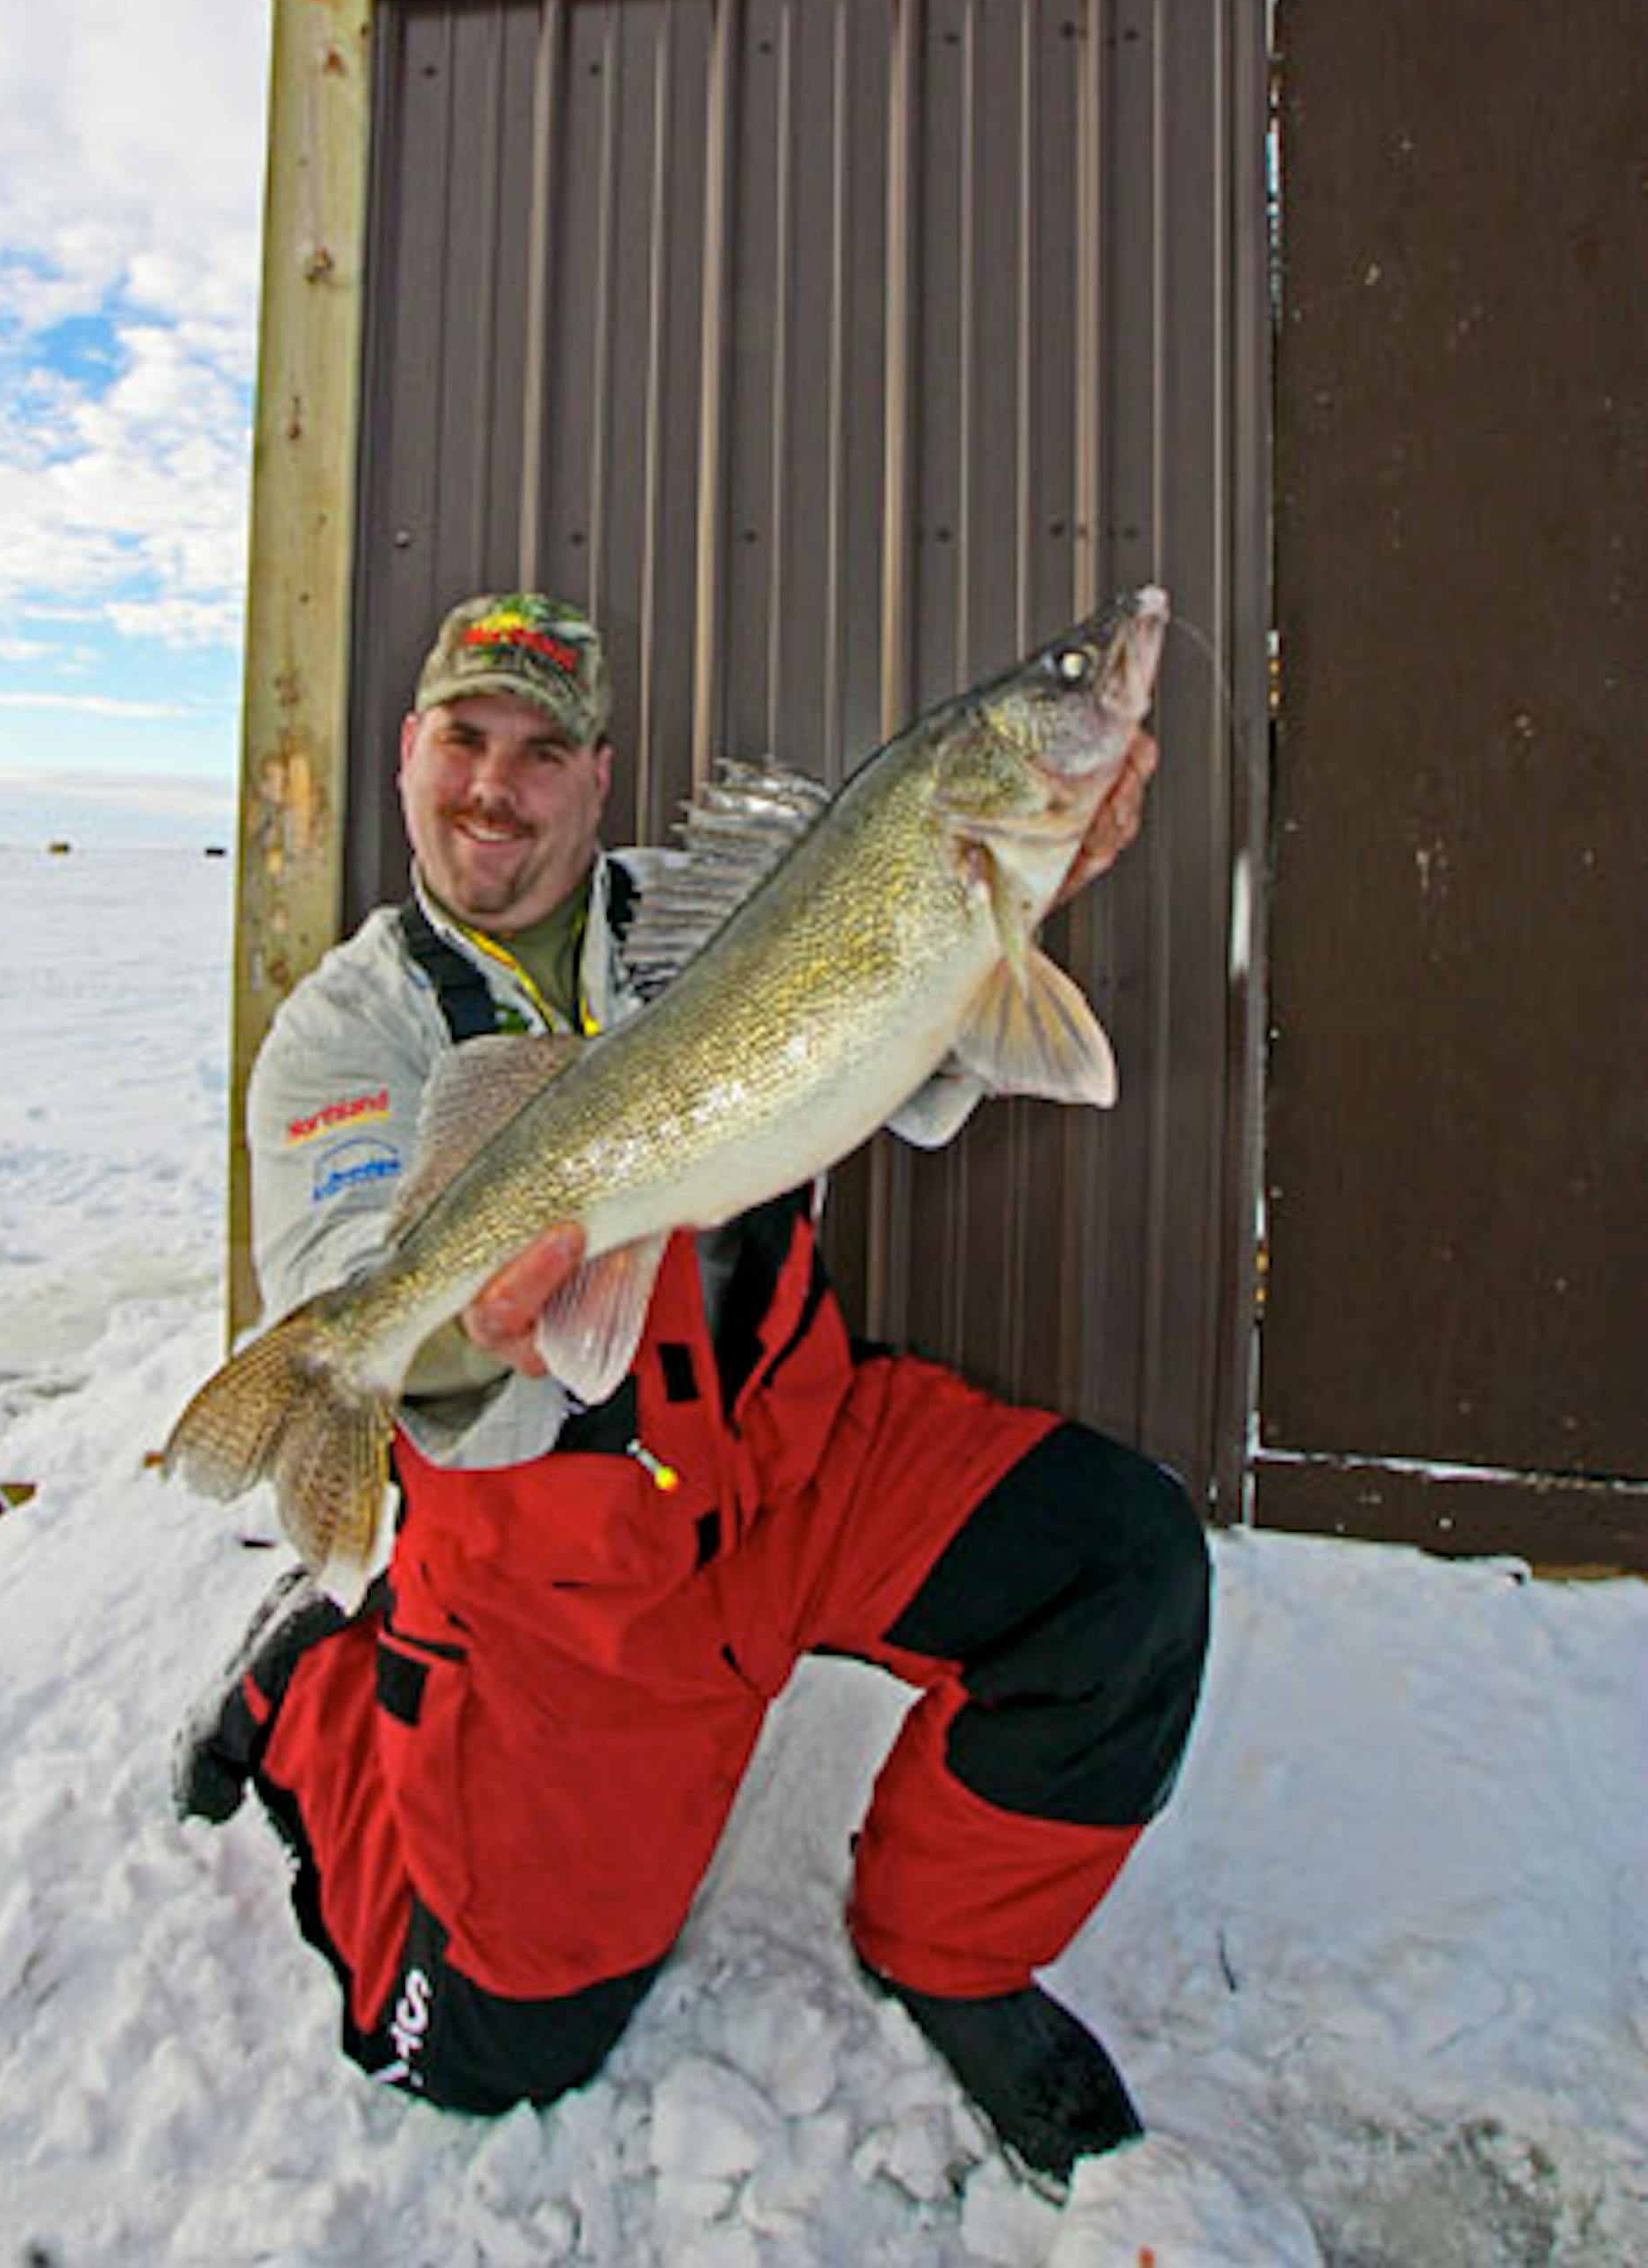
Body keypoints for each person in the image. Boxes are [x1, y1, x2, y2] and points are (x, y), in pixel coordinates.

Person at [175, 588, 1208, 2199]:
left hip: (797, 1452)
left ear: (600, 776)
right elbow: (337, 1272)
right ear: (408, 756)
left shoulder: (716, 908)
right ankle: (315, 1692)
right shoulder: (346, 1031)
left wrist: (1021, 906)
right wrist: (477, 1320)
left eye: (543, 751)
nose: (494, 787)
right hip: (561, 1569)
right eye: (465, 739)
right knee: (485, 2050)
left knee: (1127, 1564)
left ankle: (951, 1954)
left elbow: (914, 1055)